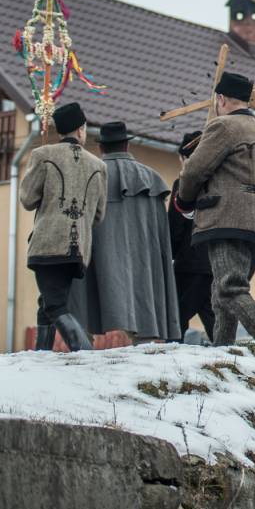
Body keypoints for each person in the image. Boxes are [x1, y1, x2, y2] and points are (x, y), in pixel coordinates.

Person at [176, 72, 255, 345]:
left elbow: (194, 172)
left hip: (227, 219)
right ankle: (224, 351)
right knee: (220, 295)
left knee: (230, 288)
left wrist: (184, 202)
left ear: (220, 99)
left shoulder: (223, 126)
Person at [69, 121, 180, 343]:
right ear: (127, 146)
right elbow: (161, 235)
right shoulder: (152, 179)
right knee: (144, 292)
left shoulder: (90, 176)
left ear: (101, 148)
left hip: (100, 259)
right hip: (144, 260)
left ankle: (84, 342)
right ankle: (145, 339)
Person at [20, 102, 107, 351]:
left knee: (55, 305)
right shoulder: (98, 166)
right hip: (78, 248)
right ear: (80, 129)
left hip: (47, 243)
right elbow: (99, 215)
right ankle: (42, 353)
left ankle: (84, 352)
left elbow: (27, 199)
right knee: (47, 301)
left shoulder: (42, 155)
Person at [169, 131, 215, 341]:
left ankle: (171, 358)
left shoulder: (183, 185)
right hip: (214, 259)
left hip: (189, 262)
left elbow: (176, 225)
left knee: (177, 316)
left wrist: (171, 253)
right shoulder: (216, 183)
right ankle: (228, 354)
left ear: (185, 158)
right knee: (212, 315)